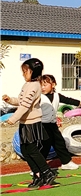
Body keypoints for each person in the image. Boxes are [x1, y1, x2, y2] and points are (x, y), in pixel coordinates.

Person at [2, 58, 56, 188]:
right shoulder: (27, 85)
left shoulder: (35, 86)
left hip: (32, 123)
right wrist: (10, 100)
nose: (23, 74)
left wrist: (13, 118)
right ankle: (38, 174)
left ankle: (47, 172)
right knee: (25, 151)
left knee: (32, 150)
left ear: (33, 72)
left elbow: (26, 106)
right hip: (24, 122)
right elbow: (21, 101)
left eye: (25, 71)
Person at [40, 74, 81, 170]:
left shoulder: (57, 96)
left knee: (60, 143)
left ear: (53, 85)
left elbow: (69, 100)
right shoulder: (39, 97)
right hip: (42, 125)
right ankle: (38, 168)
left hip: (52, 125)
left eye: (45, 85)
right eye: (41, 85)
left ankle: (66, 162)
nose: (42, 88)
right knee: (44, 146)